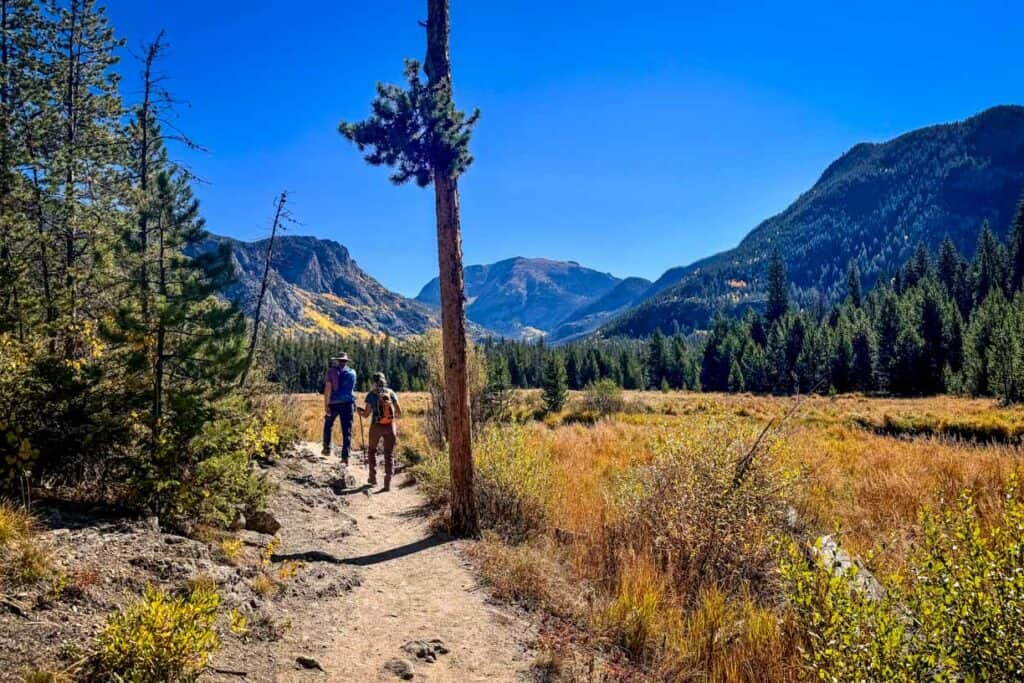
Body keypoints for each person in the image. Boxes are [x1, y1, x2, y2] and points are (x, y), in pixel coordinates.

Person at [358, 372, 403, 490]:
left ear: (374, 382)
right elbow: (399, 412)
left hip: (376, 426)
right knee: (389, 454)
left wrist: (360, 412)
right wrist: (389, 417)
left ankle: (372, 478)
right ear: (384, 381)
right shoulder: (391, 393)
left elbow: (366, 415)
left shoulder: (371, 395)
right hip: (390, 426)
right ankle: (387, 482)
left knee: (372, 450)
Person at [322, 352, 357, 463]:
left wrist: (326, 405)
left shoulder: (332, 371)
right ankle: (345, 457)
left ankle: (327, 448)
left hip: (335, 403)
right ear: (346, 361)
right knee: (347, 430)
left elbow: (328, 388)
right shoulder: (352, 373)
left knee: (328, 423)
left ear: (338, 361)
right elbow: (351, 390)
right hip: (348, 404)